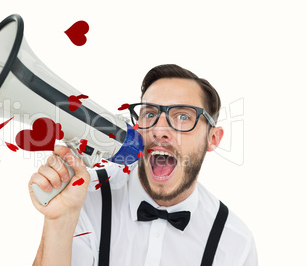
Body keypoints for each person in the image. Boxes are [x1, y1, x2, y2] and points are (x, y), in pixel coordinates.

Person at [28, 64, 258, 266]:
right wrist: (59, 221)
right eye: (150, 114)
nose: (160, 130)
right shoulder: (84, 196)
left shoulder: (235, 242)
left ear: (213, 138)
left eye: (183, 116)